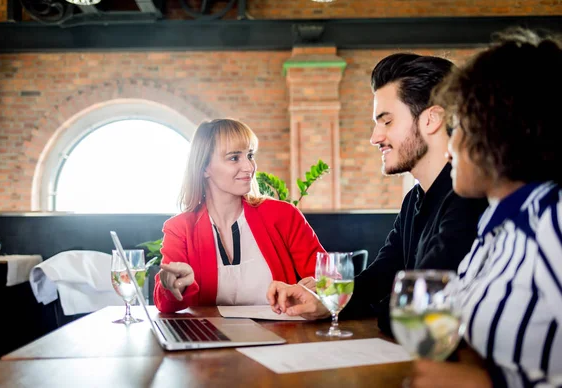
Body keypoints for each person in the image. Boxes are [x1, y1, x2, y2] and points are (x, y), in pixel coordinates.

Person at [267, 53, 488, 334]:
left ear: (431, 119)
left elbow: (419, 308)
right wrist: (326, 300)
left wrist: (375, 305)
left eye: (387, 122)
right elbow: (382, 274)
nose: (375, 137)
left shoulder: (468, 197)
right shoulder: (414, 199)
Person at [409, 28, 562, 387]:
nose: (449, 147)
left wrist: (487, 384)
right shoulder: (498, 226)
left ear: (498, 129)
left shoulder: (552, 219)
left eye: (459, 125)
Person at [153, 118, 325, 313]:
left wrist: (317, 287)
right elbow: (166, 306)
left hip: (281, 336)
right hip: (212, 339)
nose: (249, 167)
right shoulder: (179, 228)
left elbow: (328, 280)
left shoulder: (283, 215)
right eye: (234, 158)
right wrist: (172, 286)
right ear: (204, 168)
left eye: (250, 155)